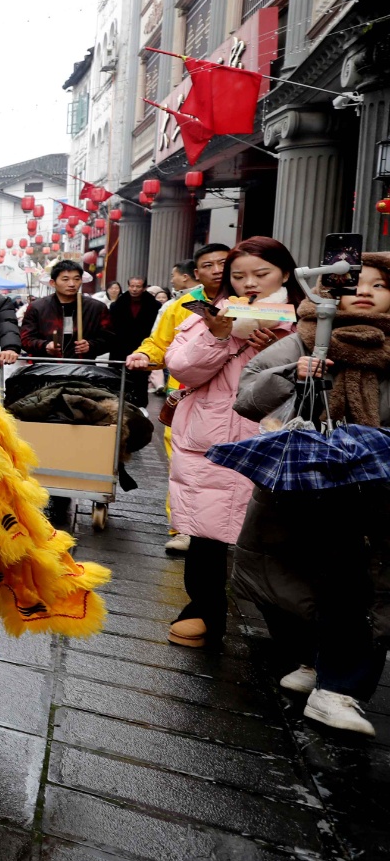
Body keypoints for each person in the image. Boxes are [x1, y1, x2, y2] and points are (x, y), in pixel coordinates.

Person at [234, 255, 390, 736]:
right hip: (301, 484)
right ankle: (315, 659)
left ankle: (339, 689)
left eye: (380, 285)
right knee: (285, 578)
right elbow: (247, 395)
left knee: (364, 587)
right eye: (353, 283)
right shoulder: (302, 338)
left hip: (374, 491)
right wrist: (294, 376)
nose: (365, 292)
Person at [162, 236, 303, 648]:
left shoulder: (304, 321)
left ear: (285, 274)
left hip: (271, 440)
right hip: (211, 439)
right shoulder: (211, 315)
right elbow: (183, 368)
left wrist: (281, 348)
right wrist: (220, 337)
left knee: (274, 539)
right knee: (205, 534)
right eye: (239, 276)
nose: (249, 283)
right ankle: (204, 610)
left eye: (261, 274)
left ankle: (289, 627)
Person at [129, 243, 232, 553]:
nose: (216, 269)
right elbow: (159, 343)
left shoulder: (255, 305)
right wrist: (143, 354)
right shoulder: (182, 305)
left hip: (236, 404)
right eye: (208, 265)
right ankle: (184, 528)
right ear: (196, 273)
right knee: (184, 465)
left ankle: (229, 529)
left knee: (230, 470)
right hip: (187, 399)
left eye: (223, 263)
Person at [21, 259, 112, 359]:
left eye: (76, 279)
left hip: (83, 368)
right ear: (52, 283)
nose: (72, 284)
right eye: (65, 279)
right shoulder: (37, 307)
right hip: (47, 368)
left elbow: (110, 339)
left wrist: (91, 345)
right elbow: (25, 339)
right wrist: (45, 346)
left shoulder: (96, 308)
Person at [109, 276, 164, 361]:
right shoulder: (117, 305)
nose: (134, 289)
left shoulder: (155, 306)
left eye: (138, 287)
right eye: (132, 286)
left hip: (144, 349)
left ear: (144, 288)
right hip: (120, 349)